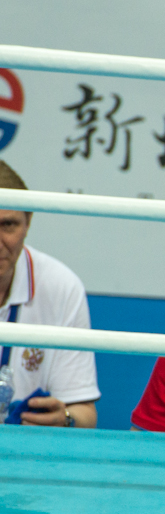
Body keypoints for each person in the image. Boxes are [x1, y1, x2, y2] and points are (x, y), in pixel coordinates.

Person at [0, 161, 98, 428]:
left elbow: (85, 415)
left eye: (7, 225)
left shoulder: (61, 286)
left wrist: (64, 419)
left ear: (28, 223)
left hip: (23, 456)